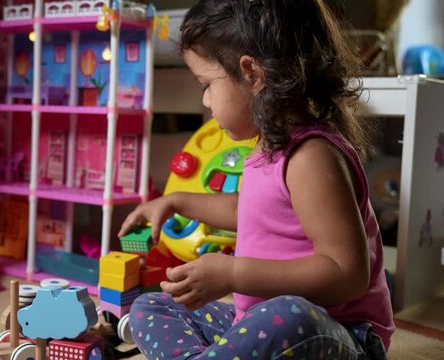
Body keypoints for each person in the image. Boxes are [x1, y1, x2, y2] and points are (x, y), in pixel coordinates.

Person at [118, 0, 394, 358]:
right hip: (257, 322)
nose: (206, 100)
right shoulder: (265, 147)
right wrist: (175, 201)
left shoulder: (311, 156)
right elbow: (249, 210)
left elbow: (346, 273)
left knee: (286, 315)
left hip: (336, 333)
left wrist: (233, 273)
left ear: (251, 73)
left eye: (207, 84)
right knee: (152, 306)